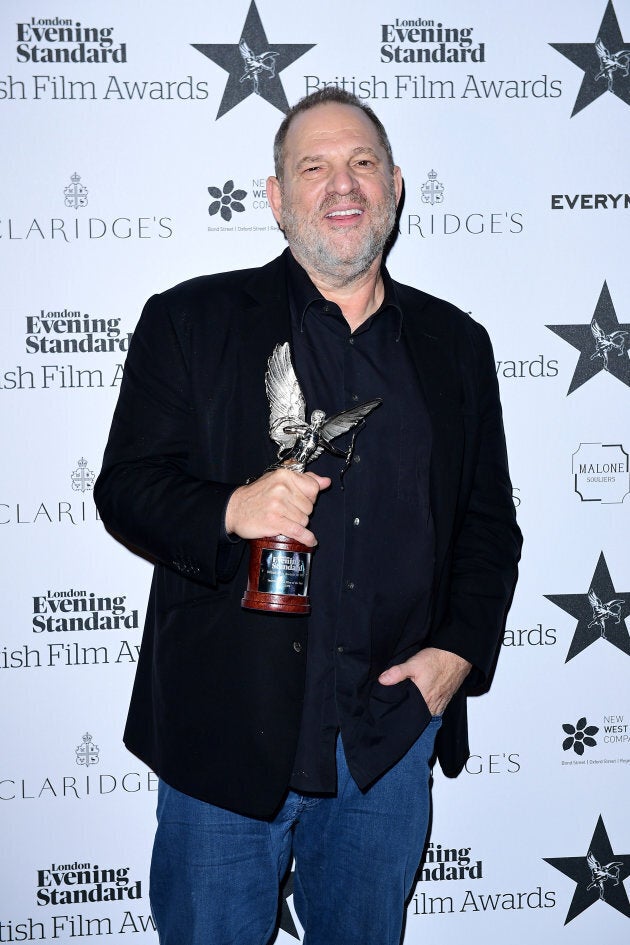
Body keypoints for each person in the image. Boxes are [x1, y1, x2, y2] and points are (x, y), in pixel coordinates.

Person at [95, 88, 522, 945]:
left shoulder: (456, 345)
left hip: (386, 744)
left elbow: (487, 525)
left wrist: (457, 656)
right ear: (276, 196)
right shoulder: (189, 320)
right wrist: (230, 508)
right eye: (315, 166)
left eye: (363, 163)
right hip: (226, 735)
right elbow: (126, 489)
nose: (344, 185)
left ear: (396, 187)